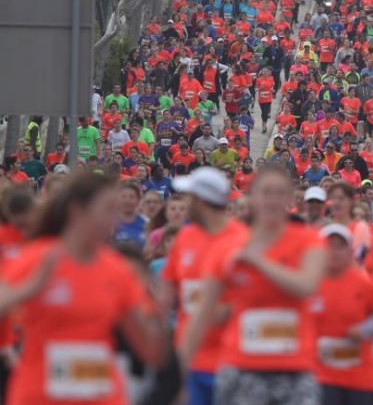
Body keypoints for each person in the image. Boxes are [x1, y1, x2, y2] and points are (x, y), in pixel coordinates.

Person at [0, 173, 165, 405]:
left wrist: (158, 310)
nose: (114, 220)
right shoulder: (37, 258)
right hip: (39, 395)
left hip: (101, 396)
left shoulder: (118, 270)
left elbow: (151, 352)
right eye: (107, 210)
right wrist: (28, 289)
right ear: (77, 210)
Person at [180, 166, 327, 405]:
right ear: (252, 198)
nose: (272, 199)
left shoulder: (309, 240)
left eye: (280, 193)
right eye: (266, 192)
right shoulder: (228, 247)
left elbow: (305, 285)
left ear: (290, 199)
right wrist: (180, 372)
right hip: (241, 366)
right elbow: (201, 315)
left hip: (295, 367)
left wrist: (257, 260)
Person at [161, 167, 248, 405]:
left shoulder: (242, 242)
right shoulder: (185, 238)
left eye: (189, 198)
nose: (185, 203)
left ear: (201, 201)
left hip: (233, 364)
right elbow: (166, 297)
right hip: (190, 363)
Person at [314, 224, 373, 405]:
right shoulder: (311, 283)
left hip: (360, 376)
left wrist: (364, 330)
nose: (334, 252)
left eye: (340, 246)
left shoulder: (362, 282)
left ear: (350, 251)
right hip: (322, 376)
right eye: (329, 245)